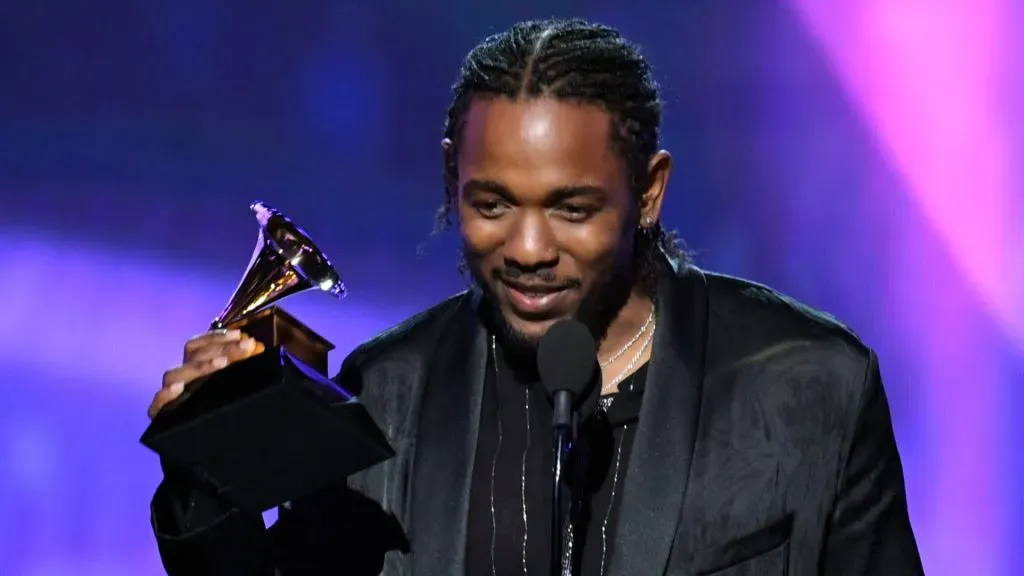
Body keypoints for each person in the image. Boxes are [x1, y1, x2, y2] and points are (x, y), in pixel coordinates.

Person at [147, 18, 923, 576]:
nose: (525, 249)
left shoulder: (811, 384)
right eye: (491, 205)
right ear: (453, 178)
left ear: (648, 192)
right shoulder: (387, 390)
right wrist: (210, 470)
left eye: (571, 208)